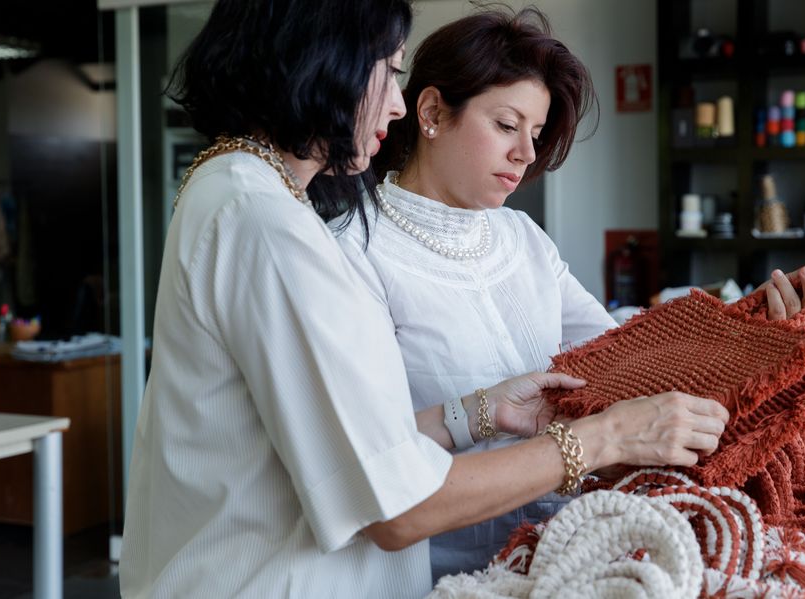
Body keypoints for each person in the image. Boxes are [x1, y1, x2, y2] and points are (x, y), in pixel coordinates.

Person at [120, 1, 736, 597]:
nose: (396, 98)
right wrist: (606, 438)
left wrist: (480, 412)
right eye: (388, 69)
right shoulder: (270, 222)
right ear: (320, 56)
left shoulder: (243, 194)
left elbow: (352, 446)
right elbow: (395, 505)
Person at [333, 7, 805, 581]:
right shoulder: (351, 251)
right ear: (433, 112)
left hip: (564, 561)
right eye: (505, 125)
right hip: (436, 577)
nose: (525, 154)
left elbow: (627, 358)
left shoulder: (522, 239)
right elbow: (363, 461)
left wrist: (751, 335)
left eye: (536, 134)